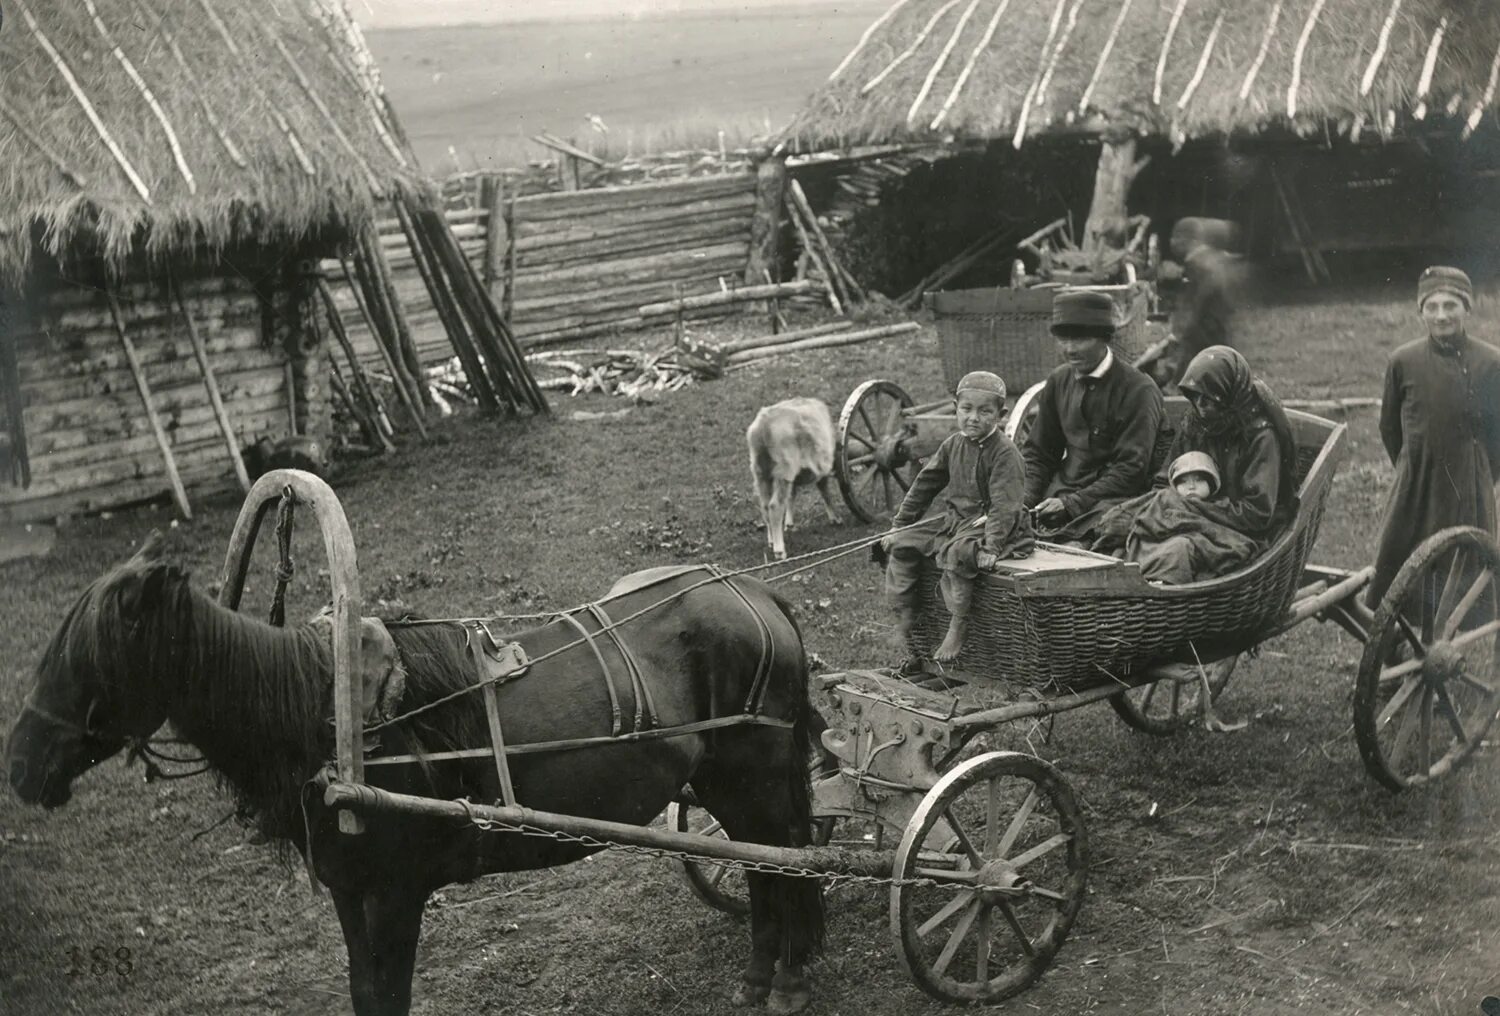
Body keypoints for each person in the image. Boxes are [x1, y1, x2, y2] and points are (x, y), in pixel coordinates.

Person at [1368, 266, 1500, 610]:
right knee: (1403, 554)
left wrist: (1483, 474)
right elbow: (1389, 428)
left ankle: (1461, 622)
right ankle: (1396, 625)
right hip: (1418, 482)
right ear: (1421, 310)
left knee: (1468, 558)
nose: (1441, 316)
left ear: (1467, 308)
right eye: (1432, 306)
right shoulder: (1402, 361)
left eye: (1451, 306)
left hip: (1469, 482)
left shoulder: (1491, 362)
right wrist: (1411, 465)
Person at [881, 371, 1034, 665]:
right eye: (966, 409)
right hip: (956, 522)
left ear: (1000, 415)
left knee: (956, 553)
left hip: (994, 526)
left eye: (984, 411)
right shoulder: (953, 444)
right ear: (956, 409)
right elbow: (925, 484)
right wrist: (900, 523)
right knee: (901, 544)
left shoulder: (1006, 453)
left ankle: (958, 623)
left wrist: (991, 546)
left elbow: (1005, 505)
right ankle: (905, 609)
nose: (973, 418)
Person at [1022, 289, 1165, 542]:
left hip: (1114, 500)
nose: (1070, 349)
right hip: (1059, 495)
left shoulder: (1138, 390)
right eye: (1063, 339)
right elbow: (1039, 454)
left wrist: (1072, 504)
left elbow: (1131, 471)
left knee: (1096, 538)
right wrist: (1024, 501)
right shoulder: (1059, 380)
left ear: (1104, 338)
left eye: (1079, 339)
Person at [1091, 448, 1262, 584]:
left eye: (1199, 480)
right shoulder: (1167, 498)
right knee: (1126, 552)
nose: (1192, 487)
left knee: (1180, 547)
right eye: (1184, 481)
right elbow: (1145, 517)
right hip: (1154, 541)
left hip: (1187, 545)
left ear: (1212, 483)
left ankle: (1165, 582)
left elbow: (1223, 535)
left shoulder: (1219, 508)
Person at [1160, 217, 1242, 388]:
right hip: (1215, 327)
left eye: (1176, 238)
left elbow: (1193, 303)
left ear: (1188, 240)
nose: (1171, 242)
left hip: (1202, 331)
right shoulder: (1214, 261)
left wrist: (1178, 332)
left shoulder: (1197, 264)